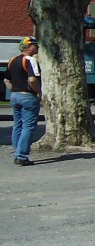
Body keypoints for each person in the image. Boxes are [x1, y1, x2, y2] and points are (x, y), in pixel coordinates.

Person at [5, 36, 41, 166]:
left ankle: (17, 152)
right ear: (28, 47)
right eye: (35, 45)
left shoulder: (12, 60)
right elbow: (32, 80)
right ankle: (22, 156)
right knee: (28, 126)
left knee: (17, 125)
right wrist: (39, 92)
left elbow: (6, 80)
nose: (37, 47)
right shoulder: (30, 60)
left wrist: (14, 90)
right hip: (28, 96)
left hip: (14, 95)